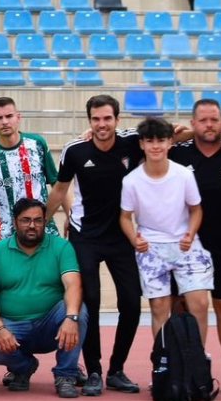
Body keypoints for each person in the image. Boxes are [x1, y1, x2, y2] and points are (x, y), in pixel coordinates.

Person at [44, 95, 143, 396]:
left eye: (107, 119)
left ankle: (117, 370)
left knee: (132, 303)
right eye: (96, 119)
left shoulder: (133, 142)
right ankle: (95, 372)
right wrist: (41, 223)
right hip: (85, 236)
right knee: (92, 303)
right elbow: (60, 189)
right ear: (89, 121)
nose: (102, 124)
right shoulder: (75, 150)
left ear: (117, 119)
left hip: (121, 236)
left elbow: (172, 134)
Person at [169, 100, 221, 395]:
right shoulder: (177, 153)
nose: (209, 125)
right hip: (187, 245)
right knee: (186, 308)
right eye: (202, 120)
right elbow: (141, 149)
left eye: (214, 120)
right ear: (193, 123)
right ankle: (194, 367)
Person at [0, 198, 84, 399]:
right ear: (15, 222)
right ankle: (24, 367)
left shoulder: (61, 247)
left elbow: (73, 284)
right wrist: (0, 329)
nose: (32, 225)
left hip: (50, 324)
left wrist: (71, 318)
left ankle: (65, 375)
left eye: (38, 220)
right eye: (26, 220)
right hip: (12, 326)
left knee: (79, 311)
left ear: (45, 221)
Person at [118, 117, 212, 342]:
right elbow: (124, 217)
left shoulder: (184, 175)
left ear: (171, 143)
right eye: (150, 141)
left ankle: (197, 360)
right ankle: (163, 363)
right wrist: (134, 239)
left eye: (161, 140)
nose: (155, 146)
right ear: (142, 144)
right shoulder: (131, 181)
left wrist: (190, 233)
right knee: (159, 307)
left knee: (199, 302)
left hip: (185, 244)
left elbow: (196, 210)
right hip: (151, 247)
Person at [0, 97, 60, 251]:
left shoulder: (37, 144)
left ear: (18, 117)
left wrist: (71, 218)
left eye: (9, 116)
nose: (4, 122)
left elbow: (59, 184)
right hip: (7, 236)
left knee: (50, 275)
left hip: (45, 231)